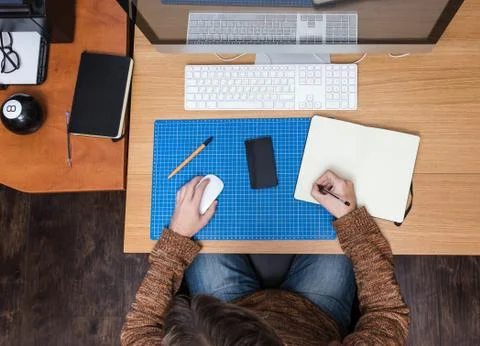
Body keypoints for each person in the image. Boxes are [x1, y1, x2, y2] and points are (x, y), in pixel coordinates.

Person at [121, 170, 410, 346]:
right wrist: (352, 222)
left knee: (202, 240)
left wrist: (177, 239)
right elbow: (386, 316)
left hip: (230, 305)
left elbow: (139, 330)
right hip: (316, 316)